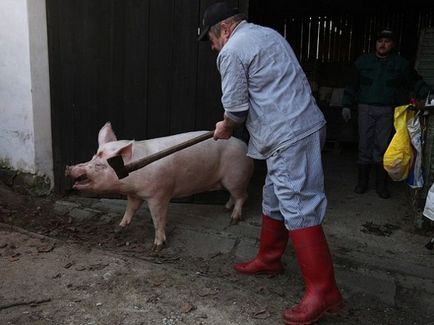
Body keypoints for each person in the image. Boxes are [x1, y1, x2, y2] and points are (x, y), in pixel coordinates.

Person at [198, 2, 343, 324]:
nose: (212, 47)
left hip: (288, 134)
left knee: (298, 204)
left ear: (224, 28)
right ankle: (269, 257)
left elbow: (235, 109)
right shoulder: (266, 35)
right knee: (275, 197)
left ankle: (324, 291)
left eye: (210, 38)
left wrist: (226, 126)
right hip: (297, 128)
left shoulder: (232, 50)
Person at [342, 29, 432, 199]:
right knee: (364, 145)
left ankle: (381, 185)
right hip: (365, 108)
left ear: (393, 45)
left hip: (387, 110)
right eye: (379, 41)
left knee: (382, 147)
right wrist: (346, 105)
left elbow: (415, 81)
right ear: (375, 43)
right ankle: (362, 183)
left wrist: (429, 95)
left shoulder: (400, 64)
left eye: (387, 41)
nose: (382, 44)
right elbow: (351, 85)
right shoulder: (362, 62)